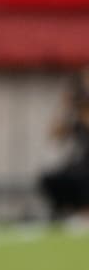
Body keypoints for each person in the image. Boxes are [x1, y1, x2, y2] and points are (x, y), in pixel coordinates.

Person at [39, 68, 89, 221]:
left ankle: (85, 213)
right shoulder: (76, 114)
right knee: (51, 179)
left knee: (83, 177)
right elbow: (54, 134)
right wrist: (64, 106)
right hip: (81, 162)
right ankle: (67, 213)